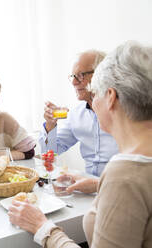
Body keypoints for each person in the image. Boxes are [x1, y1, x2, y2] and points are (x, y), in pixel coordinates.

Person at [9, 41, 152, 247]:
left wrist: (43, 228)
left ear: (110, 96)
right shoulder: (134, 168)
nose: (77, 83)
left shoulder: (125, 175)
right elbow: (50, 151)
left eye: (97, 92)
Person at [38, 50, 118, 176]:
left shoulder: (126, 113)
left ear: (101, 74)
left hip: (119, 187)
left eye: (80, 75)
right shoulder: (76, 114)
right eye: (72, 76)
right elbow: (50, 152)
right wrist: (50, 125)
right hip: (88, 190)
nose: (74, 82)